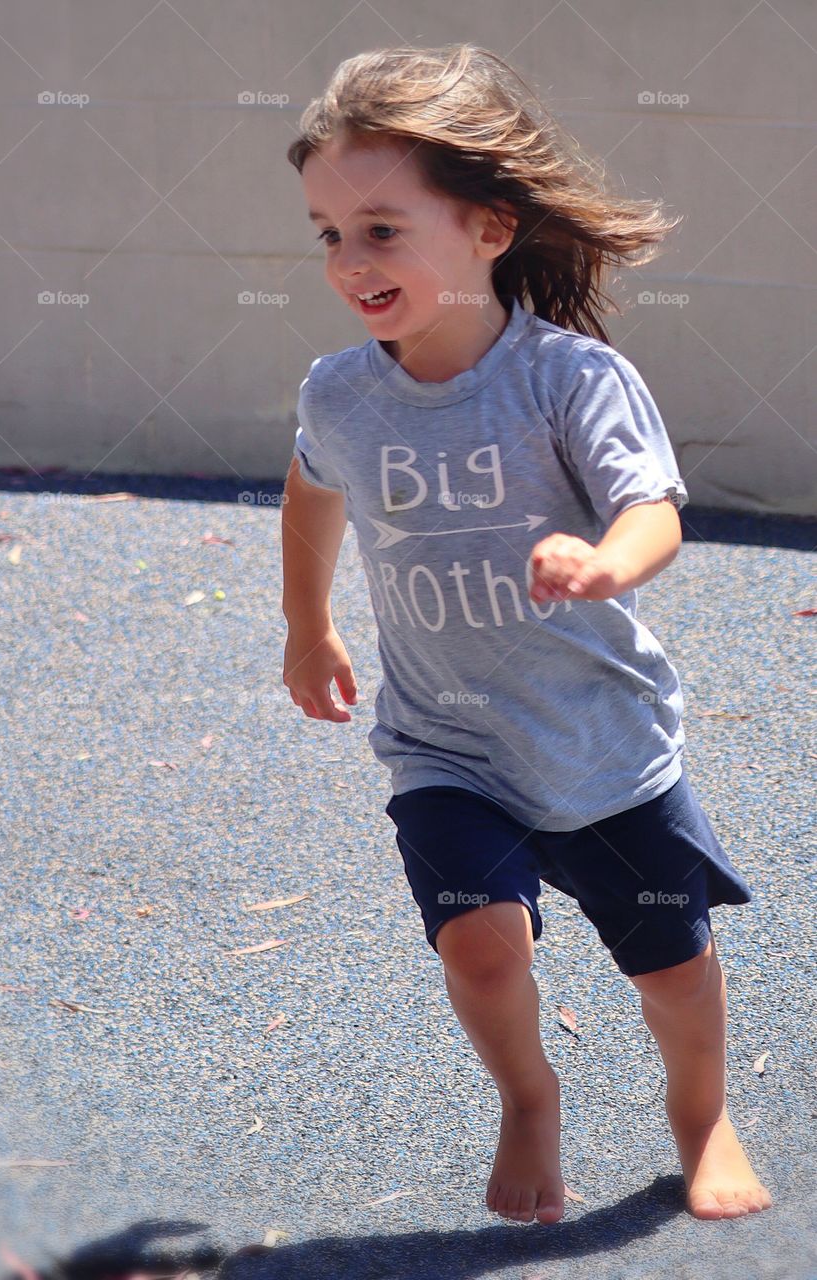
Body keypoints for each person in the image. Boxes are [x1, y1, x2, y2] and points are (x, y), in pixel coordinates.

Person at [280, 43, 772, 1225]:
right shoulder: (339, 393)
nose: (350, 261)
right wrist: (309, 626)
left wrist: (608, 560)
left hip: (598, 744)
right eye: (328, 234)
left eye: (383, 230)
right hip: (446, 745)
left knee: (670, 965)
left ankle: (701, 1115)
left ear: (490, 229)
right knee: (482, 948)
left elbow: (654, 507)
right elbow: (311, 489)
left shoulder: (567, 380)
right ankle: (526, 1092)